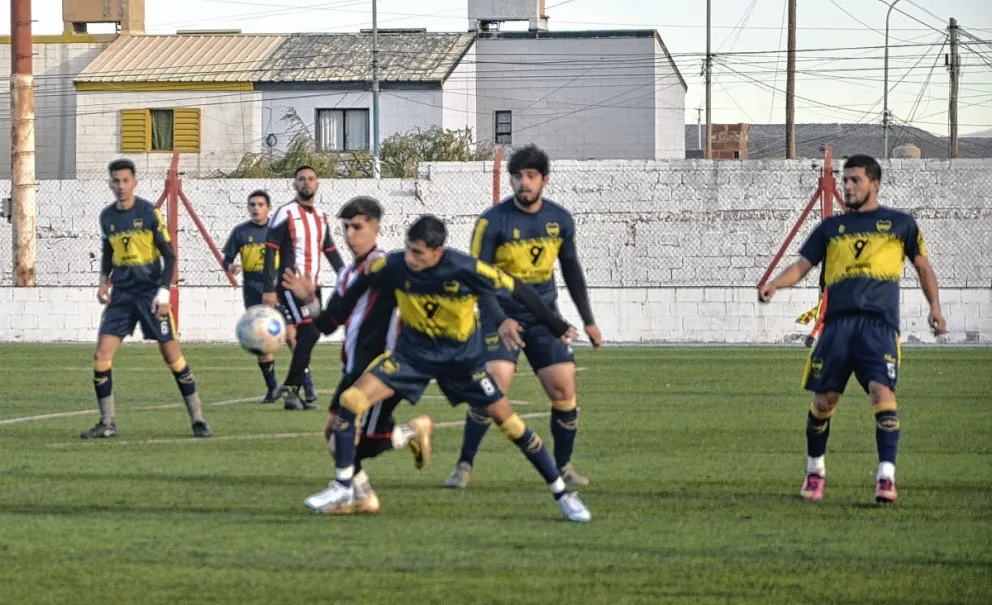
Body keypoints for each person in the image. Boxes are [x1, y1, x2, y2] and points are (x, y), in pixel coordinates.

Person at [283, 214, 592, 522]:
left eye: (418, 253)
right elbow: (340, 309)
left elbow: (520, 289)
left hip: (462, 362)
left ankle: (563, 494)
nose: (410, 258)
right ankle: (343, 484)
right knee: (351, 401)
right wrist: (310, 308)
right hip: (412, 356)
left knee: (512, 426)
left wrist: (556, 325)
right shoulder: (391, 266)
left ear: (438, 251)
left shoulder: (466, 269)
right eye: (408, 249)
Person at [759, 154, 947, 503]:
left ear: (874, 183)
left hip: (879, 327)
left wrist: (935, 307)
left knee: (882, 393)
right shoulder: (830, 229)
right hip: (837, 327)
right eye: (845, 180)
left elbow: (923, 267)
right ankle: (815, 472)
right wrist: (775, 284)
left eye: (855, 180)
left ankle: (886, 478)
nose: (847, 186)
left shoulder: (900, 224)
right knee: (824, 401)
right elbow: (802, 266)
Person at [444, 144, 602, 490]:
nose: (523, 183)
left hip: (543, 316)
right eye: (517, 176)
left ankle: (563, 467)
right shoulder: (492, 221)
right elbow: (480, 279)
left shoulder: (560, 220)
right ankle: (464, 464)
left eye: (530, 176)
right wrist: (500, 319)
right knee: (495, 384)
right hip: (500, 315)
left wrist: (587, 319)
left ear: (544, 179)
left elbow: (571, 269)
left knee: (563, 388)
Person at [81, 158, 212, 439]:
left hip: (151, 294)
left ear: (134, 182)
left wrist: (164, 291)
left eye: (125, 181)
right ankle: (107, 423)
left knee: (172, 356)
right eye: (115, 181)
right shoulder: (107, 217)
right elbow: (107, 251)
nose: (120, 186)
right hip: (122, 296)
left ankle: (198, 418)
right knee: (101, 355)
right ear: (110, 183)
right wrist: (104, 281)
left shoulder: (149, 212)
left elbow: (170, 255)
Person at [323, 196, 433, 514]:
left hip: (381, 368)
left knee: (353, 441)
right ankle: (363, 494)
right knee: (332, 433)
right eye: (345, 228)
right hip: (353, 367)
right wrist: (309, 301)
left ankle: (413, 432)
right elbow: (334, 318)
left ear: (376, 229)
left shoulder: (387, 267)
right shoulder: (347, 274)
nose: (349, 235)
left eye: (357, 227)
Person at [262, 165, 345, 410]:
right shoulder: (285, 213)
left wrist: (348, 276)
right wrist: (269, 289)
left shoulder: (320, 216)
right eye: (301, 179)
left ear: (317, 184)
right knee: (309, 333)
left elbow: (329, 250)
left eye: (310, 179)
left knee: (308, 336)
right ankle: (294, 389)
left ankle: (293, 390)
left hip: (313, 287)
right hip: (291, 285)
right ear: (294, 184)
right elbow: (270, 249)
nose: (306, 183)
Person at [222, 189, 281, 402]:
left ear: (269, 208)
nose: (256, 208)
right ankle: (273, 386)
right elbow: (226, 258)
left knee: (293, 335)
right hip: (253, 287)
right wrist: (231, 266)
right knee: (260, 338)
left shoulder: (278, 231)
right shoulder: (240, 232)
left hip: (278, 288)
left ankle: (306, 388)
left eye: (260, 204)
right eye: (252, 205)